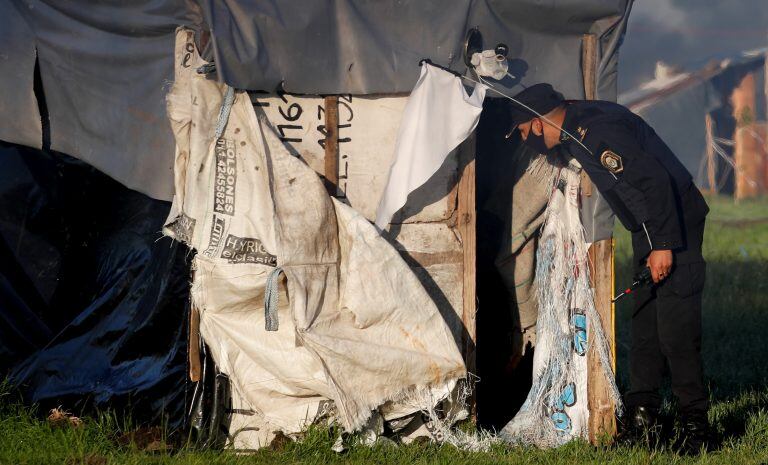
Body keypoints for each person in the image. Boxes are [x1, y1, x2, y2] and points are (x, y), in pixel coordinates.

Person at [505, 84, 710, 454]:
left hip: (673, 222)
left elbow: (655, 181)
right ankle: (643, 416)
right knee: (646, 322)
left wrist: (663, 246)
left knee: (676, 330)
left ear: (537, 125)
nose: (525, 140)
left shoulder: (596, 133)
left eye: (522, 132)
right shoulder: (575, 126)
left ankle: (696, 428)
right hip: (649, 227)